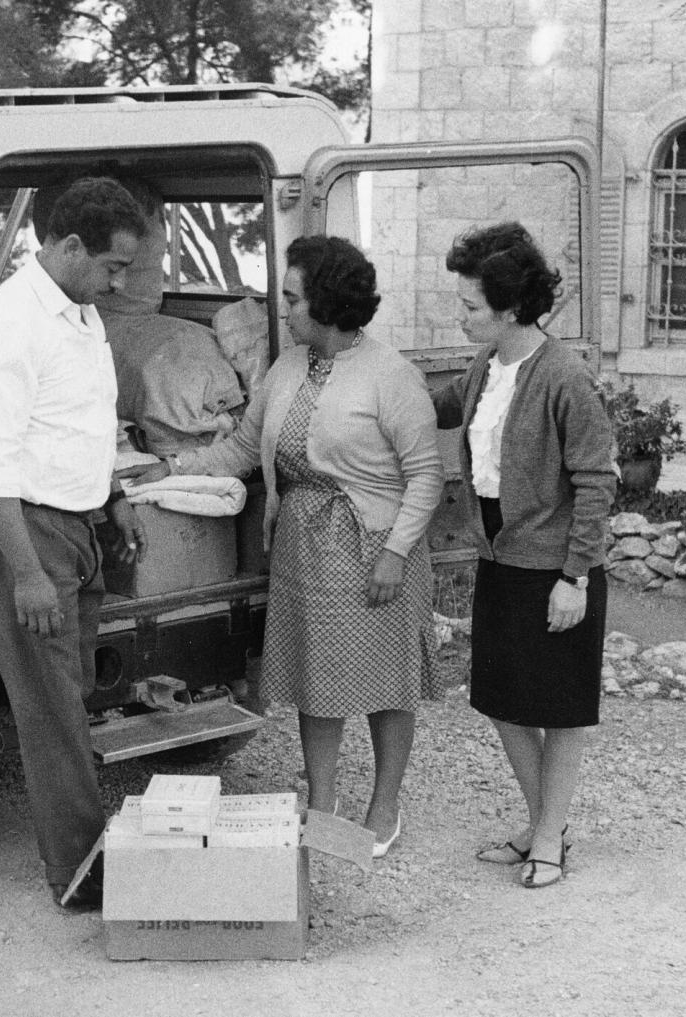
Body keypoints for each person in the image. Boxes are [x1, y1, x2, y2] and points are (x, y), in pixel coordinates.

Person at [130, 235, 444, 856]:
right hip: (304, 546)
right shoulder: (288, 367)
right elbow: (244, 449)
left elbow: (426, 476)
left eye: (294, 297)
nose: (285, 309)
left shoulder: (391, 376)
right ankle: (321, 804)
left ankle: (385, 805)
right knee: (315, 679)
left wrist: (395, 553)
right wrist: (172, 467)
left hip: (375, 545)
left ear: (327, 303)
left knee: (388, 681)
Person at [0, 176, 148, 906]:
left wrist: (115, 495)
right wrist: (27, 572)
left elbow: (81, 419)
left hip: (73, 523)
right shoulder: (10, 326)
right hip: (22, 529)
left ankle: (85, 849)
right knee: (52, 706)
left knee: (72, 693)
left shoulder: (77, 307)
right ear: (69, 247)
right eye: (113, 266)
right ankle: (81, 873)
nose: (120, 280)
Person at [433, 222, 615, 889]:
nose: (460, 316)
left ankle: (545, 834)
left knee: (560, 706)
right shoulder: (488, 364)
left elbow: (598, 480)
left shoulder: (566, 377)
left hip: (557, 569)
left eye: (470, 307)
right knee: (504, 698)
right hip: (501, 559)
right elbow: (441, 404)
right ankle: (547, 825)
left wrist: (575, 578)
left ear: (509, 310)